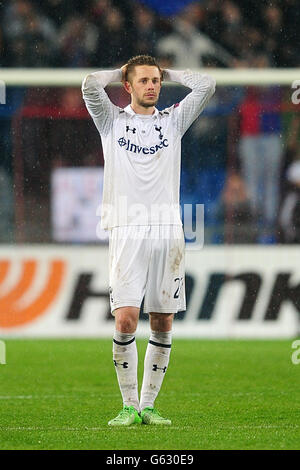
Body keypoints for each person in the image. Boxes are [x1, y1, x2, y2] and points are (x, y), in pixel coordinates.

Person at [82, 55, 216, 426]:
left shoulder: (173, 121)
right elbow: (90, 84)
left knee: (162, 321)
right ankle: (127, 406)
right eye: (143, 80)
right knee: (125, 320)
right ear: (128, 86)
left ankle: (148, 406)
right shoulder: (111, 121)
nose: (152, 86)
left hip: (167, 230)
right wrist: (122, 68)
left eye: (156, 80)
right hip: (126, 228)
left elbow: (207, 85)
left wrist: (169, 72)